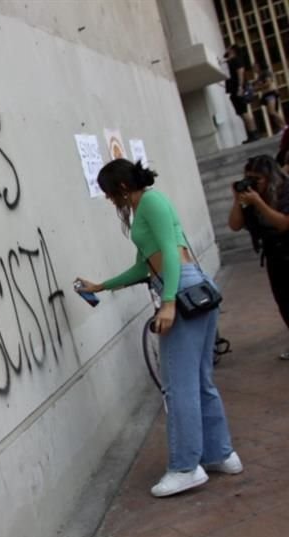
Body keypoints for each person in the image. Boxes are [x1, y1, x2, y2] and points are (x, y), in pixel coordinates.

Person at [76, 159, 241, 497]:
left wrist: (168, 303)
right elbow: (143, 267)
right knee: (199, 381)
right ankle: (220, 454)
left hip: (180, 290)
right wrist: (101, 286)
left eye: (109, 193)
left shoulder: (150, 202)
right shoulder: (145, 207)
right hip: (191, 287)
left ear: (121, 186)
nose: (109, 201)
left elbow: (168, 250)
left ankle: (185, 467)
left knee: (178, 386)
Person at [227, 154, 289, 359]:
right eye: (248, 178)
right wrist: (238, 200)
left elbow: (283, 223)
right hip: (274, 255)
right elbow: (235, 225)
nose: (252, 184)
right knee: (284, 301)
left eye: (257, 179)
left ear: (270, 177)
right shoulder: (250, 197)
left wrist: (259, 202)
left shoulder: (284, 191)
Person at [224, 40, 260, 143]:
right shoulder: (231, 60)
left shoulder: (236, 60)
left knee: (244, 113)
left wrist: (240, 87)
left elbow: (240, 72)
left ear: (233, 50)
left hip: (238, 89)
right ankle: (252, 134)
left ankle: (253, 134)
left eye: (229, 48)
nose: (227, 49)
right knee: (242, 113)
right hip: (234, 89)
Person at [251, 63, 286, 133]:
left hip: (271, 93)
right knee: (272, 112)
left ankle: (285, 126)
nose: (253, 69)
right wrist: (255, 88)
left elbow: (268, 83)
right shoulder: (259, 76)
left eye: (254, 67)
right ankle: (281, 127)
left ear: (259, 66)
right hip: (266, 95)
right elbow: (259, 86)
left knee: (272, 111)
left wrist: (258, 87)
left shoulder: (266, 73)